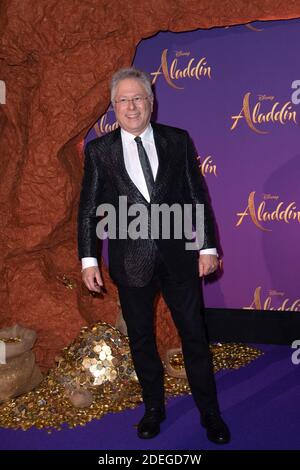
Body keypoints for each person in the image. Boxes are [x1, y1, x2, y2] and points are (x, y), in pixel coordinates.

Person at [77, 67, 230, 444]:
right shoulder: (100, 151)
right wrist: (89, 260)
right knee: (141, 339)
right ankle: (153, 409)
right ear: (113, 107)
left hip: (180, 256)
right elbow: (89, 210)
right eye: (123, 100)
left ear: (151, 102)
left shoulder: (177, 140)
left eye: (138, 98)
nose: (132, 106)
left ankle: (210, 413)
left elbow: (197, 195)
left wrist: (207, 246)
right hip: (131, 262)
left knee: (194, 334)